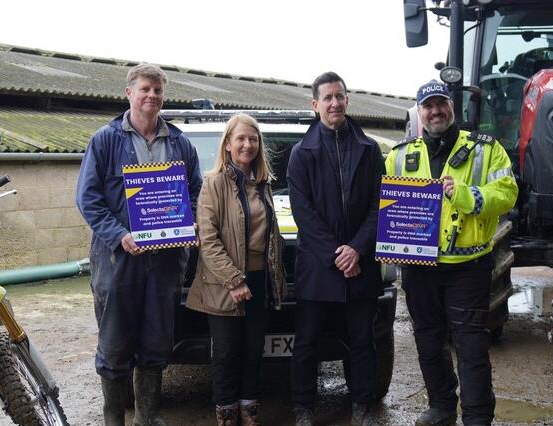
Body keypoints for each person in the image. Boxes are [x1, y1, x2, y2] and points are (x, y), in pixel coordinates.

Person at [385, 80, 517, 426]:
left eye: (441, 103)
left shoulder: (486, 149)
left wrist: (468, 196)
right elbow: (386, 206)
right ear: (419, 112)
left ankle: (476, 417)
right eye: (428, 106)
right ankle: (441, 406)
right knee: (428, 342)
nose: (435, 111)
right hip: (419, 268)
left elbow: (507, 193)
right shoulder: (398, 156)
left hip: (467, 265)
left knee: (470, 346)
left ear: (452, 106)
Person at [76, 63, 202, 426]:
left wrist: (188, 220)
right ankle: (114, 418)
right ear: (128, 93)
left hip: (165, 260)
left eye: (158, 90)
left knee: (155, 340)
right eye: (145, 89)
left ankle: (148, 417)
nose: (152, 96)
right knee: (115, 344)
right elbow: (88, 198)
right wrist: (119, 235)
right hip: (118, 260)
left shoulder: (179, 143)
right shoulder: (105, 140)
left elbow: (195, 191)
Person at [287, 71, 384, 426]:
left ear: (347, 100)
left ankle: (362, 406)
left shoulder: (370, 149)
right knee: (307, 343)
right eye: (327, 98)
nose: (334, 103)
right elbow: (304, 215)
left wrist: (356, 249)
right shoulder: (301, 154)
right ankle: (303, 408)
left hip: (361, 263)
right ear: (315, 105)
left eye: (339, 96)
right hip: (318, 267)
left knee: (362, 342)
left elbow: (380, 204)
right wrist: (337, 255)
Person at [185, 113, 287, 426]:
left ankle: (249, 411)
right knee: (226, 354)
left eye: (253, 139)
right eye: (240, 139)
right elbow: (209, 239)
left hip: (260, 281)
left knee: (253, 351)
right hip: (224, 283)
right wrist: (234, 280)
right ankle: (227, 415)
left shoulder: (263, 184)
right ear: (228, 144)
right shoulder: (213, 183)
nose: (247, 144)